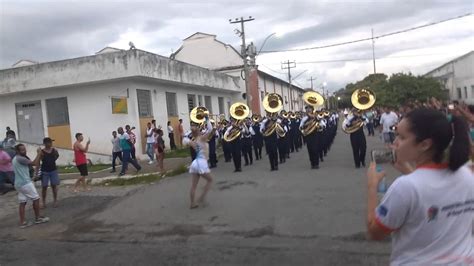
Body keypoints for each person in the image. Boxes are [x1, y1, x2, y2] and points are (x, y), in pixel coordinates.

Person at [367, 108, 473, 265]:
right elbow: (433, 192)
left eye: (402, 137)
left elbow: (375, 232)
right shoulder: (468, 175)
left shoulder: (405, 186)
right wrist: (409, 171)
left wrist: (371, 186)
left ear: (424, 144)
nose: (395, 142)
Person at [12, 144, 49, 228]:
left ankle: (22, 222)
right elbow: (35, 163)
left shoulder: (15, 159)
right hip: (25, 183)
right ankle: (38, 218)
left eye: (24, 149)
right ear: (17, 151)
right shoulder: (20, 158)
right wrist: (39, 153)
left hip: (18, 183)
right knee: (36, 198)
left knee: (22, 202)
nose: (24, 151)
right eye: (22, 150)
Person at [183, 115, 213, 209]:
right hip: (201, 163)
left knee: (193, 186)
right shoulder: (202, 138)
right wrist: (207, 119)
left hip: (195, 163)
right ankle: (202, 197)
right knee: (210, 180)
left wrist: (188, 133)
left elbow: (184, 140)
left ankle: (192, 203)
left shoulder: (193, 140)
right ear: (199, 131)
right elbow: (210, 129)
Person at [38, 138, 60, 208]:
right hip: (45, 171)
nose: (51, 144)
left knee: (54, 186)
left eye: (51, 142)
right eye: (49, 142)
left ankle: (55, 200)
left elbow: (57, 156)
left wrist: (52, 160)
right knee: (44, 187)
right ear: (45, 143)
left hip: (53, 170)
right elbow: (40, 159)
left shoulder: (54, 150)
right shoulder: (42, 152)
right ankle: (43, 202)